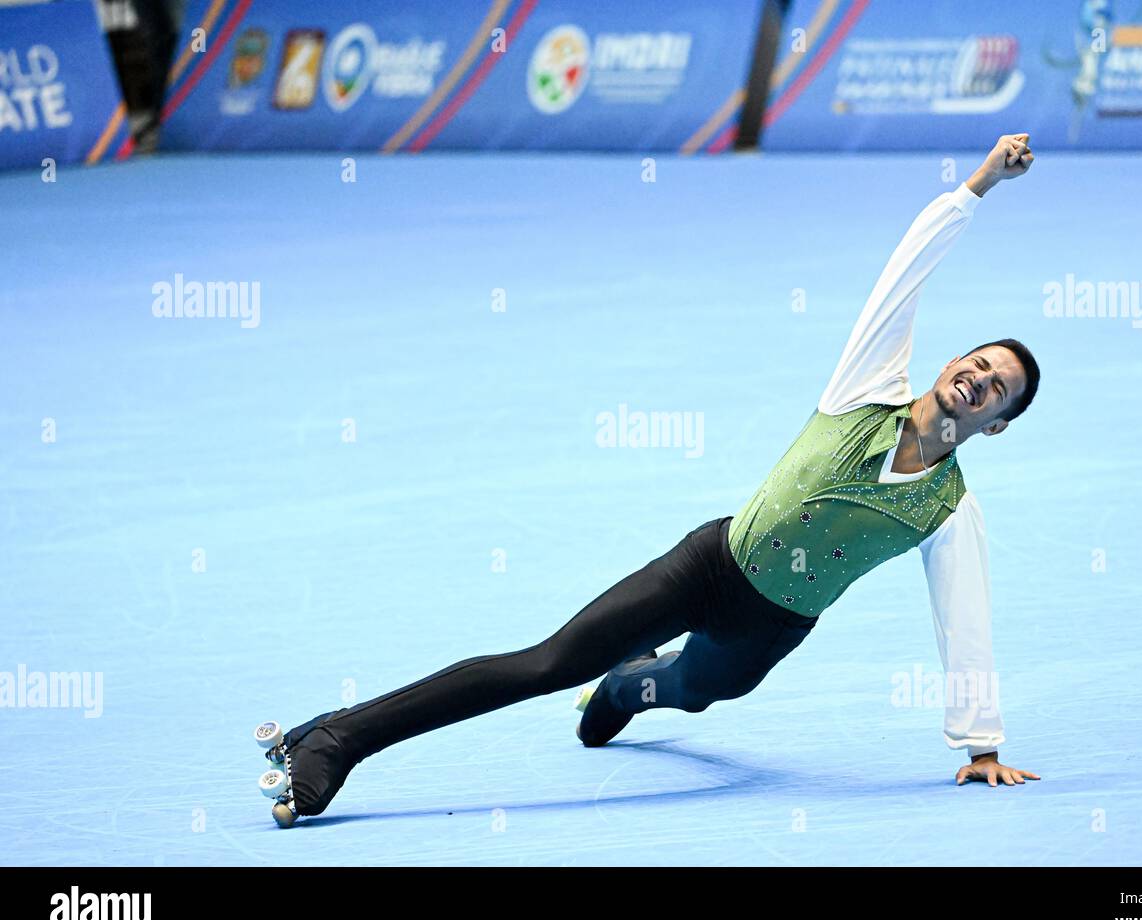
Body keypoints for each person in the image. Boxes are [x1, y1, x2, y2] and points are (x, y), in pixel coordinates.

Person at [261, 133, 1044, 826]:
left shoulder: (947, 508)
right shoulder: (865, 388)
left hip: (772, 627)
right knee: (547, 663)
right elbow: (904, 273)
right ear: (948, 364)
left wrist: (982, 745)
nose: (978, 377)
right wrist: (976, 187)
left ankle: (626, 686)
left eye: (997, 386)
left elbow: (964, 615)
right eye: (976, 361)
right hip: (708, 567)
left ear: (998, 422)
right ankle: (338, 738)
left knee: (693, 690)